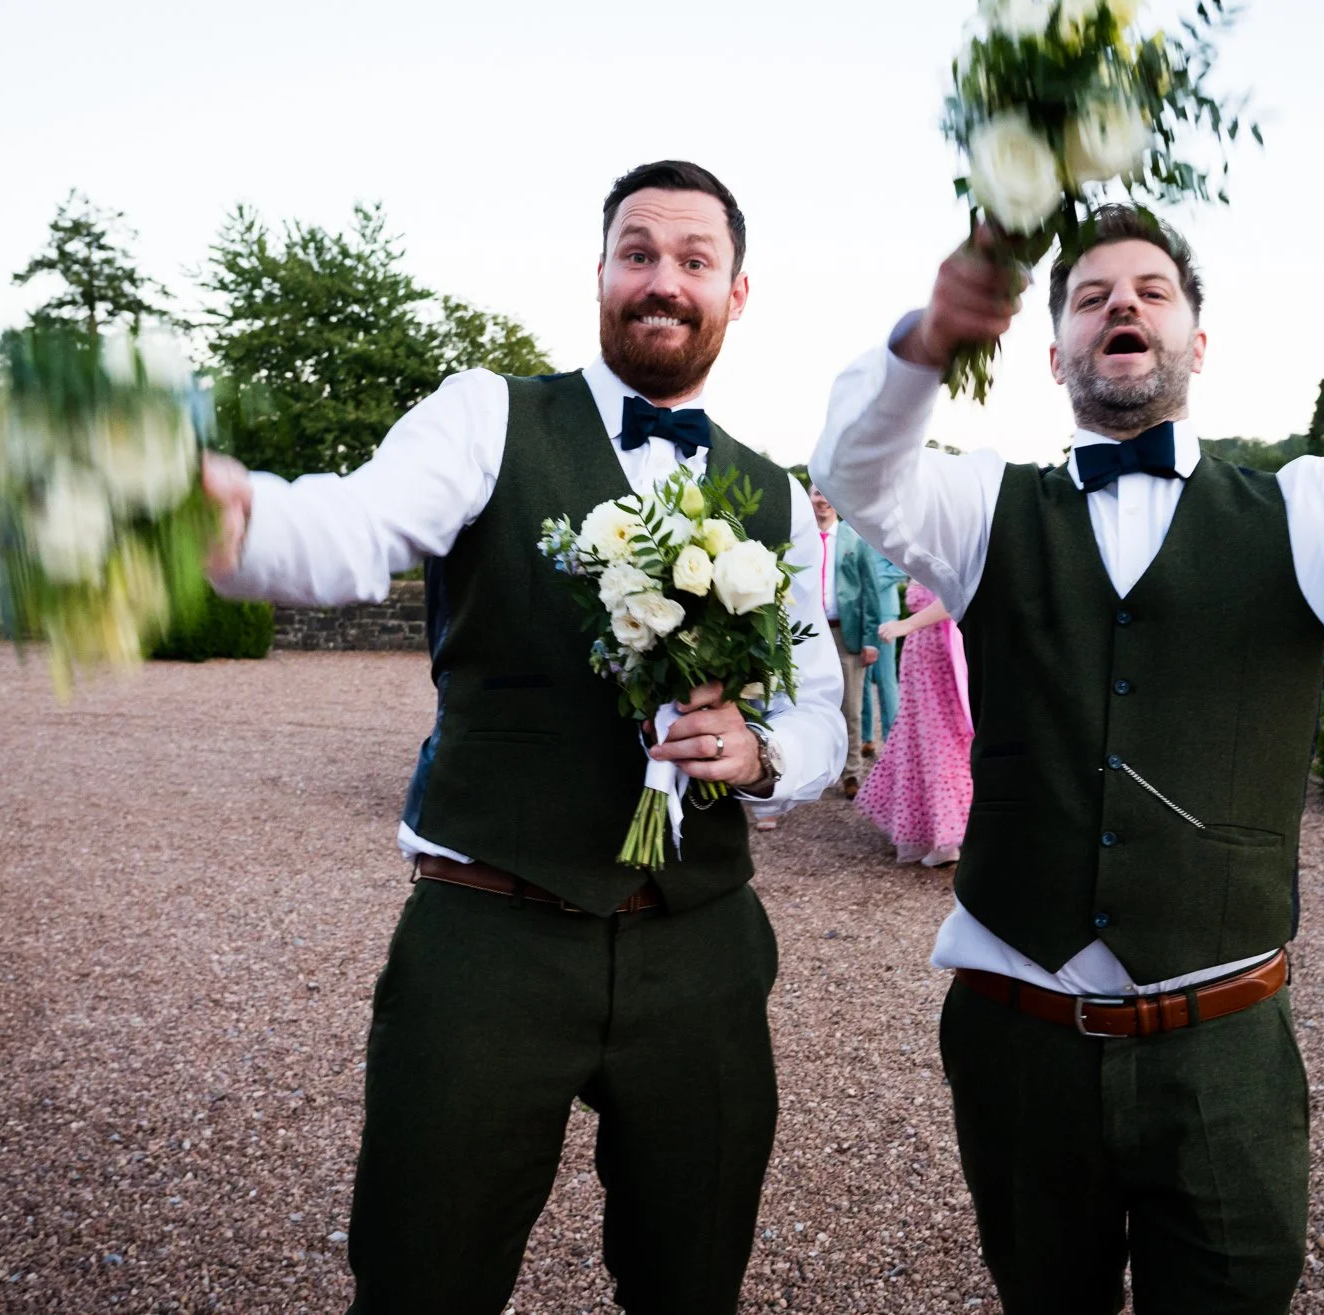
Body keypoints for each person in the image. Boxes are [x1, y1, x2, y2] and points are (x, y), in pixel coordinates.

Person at [811, 204, 1324, 1313]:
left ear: (1195, 344)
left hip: (1223, 1049)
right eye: (1089, 294)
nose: (1121, 303)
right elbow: (855, 471)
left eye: (1151, 290)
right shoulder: (981, 504)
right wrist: (929, 335)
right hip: (1017, 1043)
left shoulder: (1309, 512)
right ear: (1053, 348)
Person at [202, 160, 845, 1315]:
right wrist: (241, 517)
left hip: (696, 943)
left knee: (691, 1277)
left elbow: (817, 708)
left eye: (694, 260)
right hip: (487, 934)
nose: (662, 280)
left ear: (736, 293)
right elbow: (354, 526)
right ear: (598, 272)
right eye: (636, 252)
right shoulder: (484, 415)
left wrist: (762, 756)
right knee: (420, 1272)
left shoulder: (775, 495)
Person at [857, 580, 972, 867]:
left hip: (937, 657)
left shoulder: (942, 547)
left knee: (939, 741)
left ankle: (947, 838)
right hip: (925, 657)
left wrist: (907, 624)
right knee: (922, 741)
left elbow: (953, 596)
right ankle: (934, 832)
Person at [809, 484, 887, 798]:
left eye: (827, 493)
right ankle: (816, 769)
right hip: (810, 634)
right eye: (816, 493)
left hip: (846, 634)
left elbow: (871, 593)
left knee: (850, 708)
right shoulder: (800, 540)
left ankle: (852, 772)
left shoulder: (855, 539)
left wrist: (871, 640)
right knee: (811, 704)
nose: (822, 499)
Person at [863, 549, 906, 750]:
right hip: (858, 613)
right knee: (861, 678)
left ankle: (894, 739)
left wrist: (868, 583)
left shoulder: (885, 528)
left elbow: (900, 569)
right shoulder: (849, 529)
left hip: (885, 612)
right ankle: (866, 737)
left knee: (886, 678)